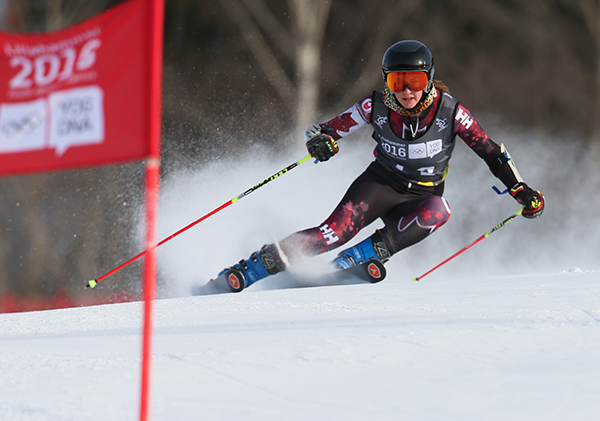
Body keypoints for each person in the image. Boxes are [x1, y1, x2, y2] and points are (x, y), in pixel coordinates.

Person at [211, 40, 544, 292]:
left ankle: (354, 261)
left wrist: (519, 189)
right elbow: (324, 130)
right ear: (388, 83)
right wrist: (322, 142)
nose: (407, 91)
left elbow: (490, 151)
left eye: (414, 81)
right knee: (333, 233)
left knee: (439, 211)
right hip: (380, 186)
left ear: (428, 80)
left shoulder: (451, 112)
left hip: (421, 198)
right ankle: (253, 267)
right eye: (398, 83)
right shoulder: (376, 106)